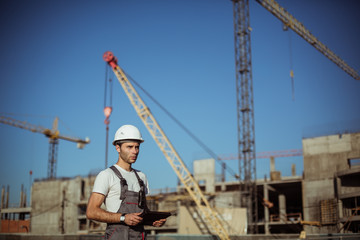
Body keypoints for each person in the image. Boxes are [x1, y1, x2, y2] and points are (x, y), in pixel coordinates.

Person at [86, 124, 166, 239]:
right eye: (129, 147)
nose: (135, 151)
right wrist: (123, 218)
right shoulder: (107, 175)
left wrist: (152, 221)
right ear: (118, 148)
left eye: (137, 147)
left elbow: (142, 213)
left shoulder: (141, 177)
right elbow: (91, 211)